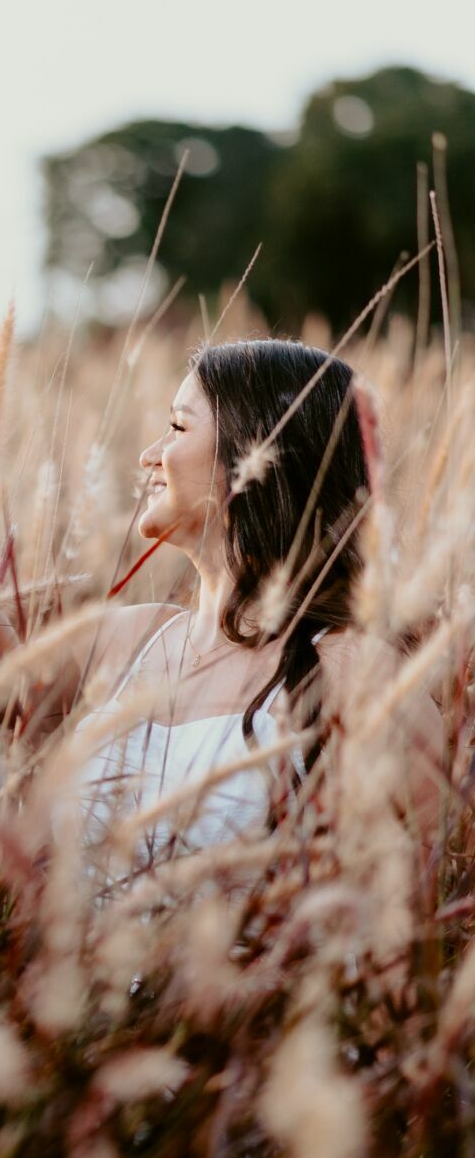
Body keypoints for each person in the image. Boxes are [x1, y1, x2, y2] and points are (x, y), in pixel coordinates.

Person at [75, 338, 443, 874]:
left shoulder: (358, 674)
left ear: (259, 456)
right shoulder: (125, 638)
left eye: (177, 428)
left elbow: (410, 919)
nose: (149, 454)